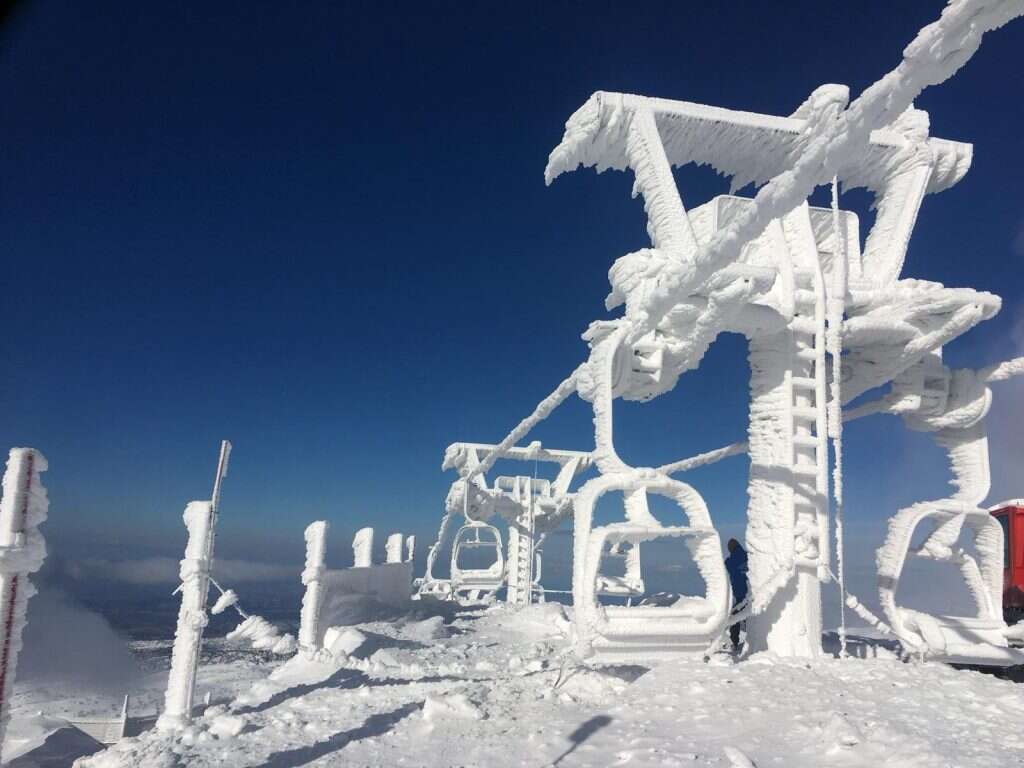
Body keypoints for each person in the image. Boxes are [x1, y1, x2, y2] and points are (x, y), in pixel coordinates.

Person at [724, 538, 749, 650]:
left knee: (736, 617)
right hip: (751, 592)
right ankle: (753, 639)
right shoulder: (749, 556)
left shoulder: (729, 561)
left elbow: (724, 571)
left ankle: (734, 642)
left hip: (739, 593)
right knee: (751, 617)